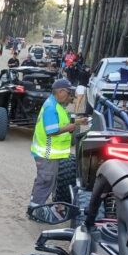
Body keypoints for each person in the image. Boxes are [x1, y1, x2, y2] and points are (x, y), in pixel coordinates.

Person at [29, 79, 87, 213]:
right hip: (46, 153)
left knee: (45, 179)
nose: (70, 96)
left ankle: (35, 203)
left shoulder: (56, 105)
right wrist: (71, 127)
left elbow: (61, 121)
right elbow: (52, 130)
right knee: (46, 181)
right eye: (68, 93)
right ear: (61, 92)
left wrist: (78, 121)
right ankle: (35, 209)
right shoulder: (51, 107)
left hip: (49, 153)